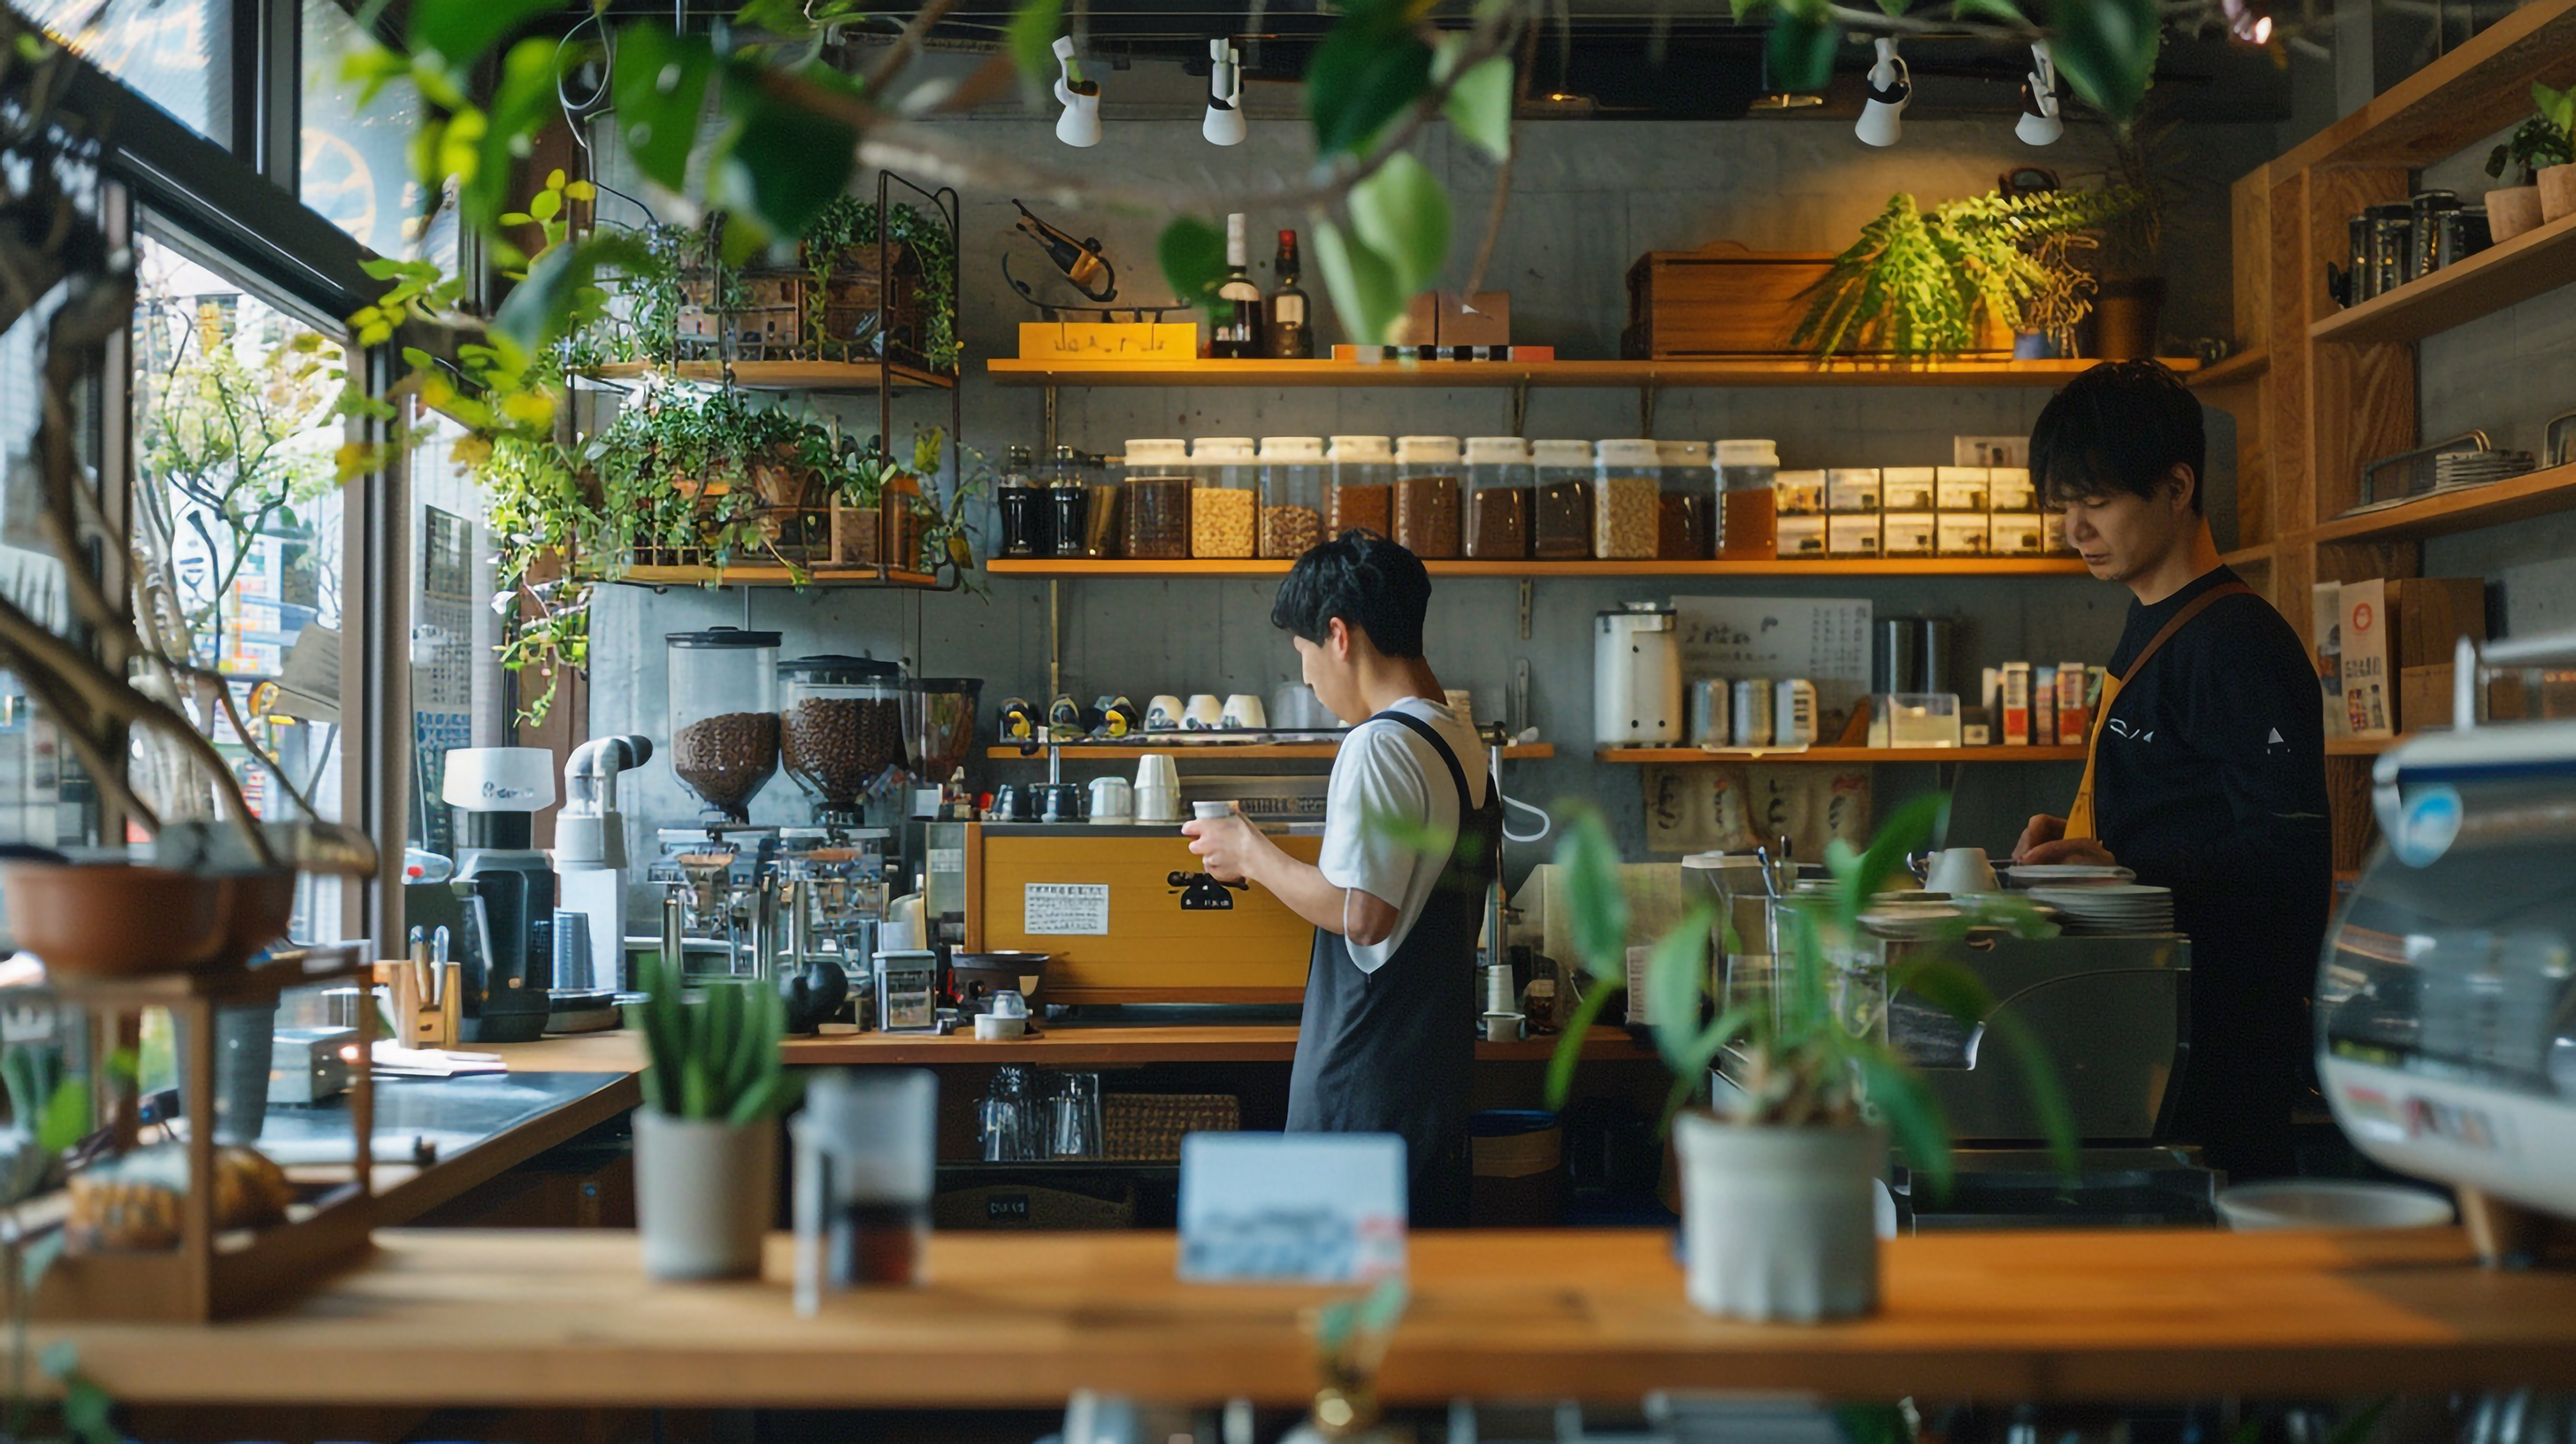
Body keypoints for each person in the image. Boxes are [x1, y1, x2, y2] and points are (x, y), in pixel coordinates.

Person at [2012, 360, 2331, 1181]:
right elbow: (2181, 805)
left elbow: (2288, 860)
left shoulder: (2237, 642)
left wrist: (2124, 869)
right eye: (2061, 506)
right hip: (2145, 1021)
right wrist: (2078, 841)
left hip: (2217, 1047)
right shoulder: (2151, 620)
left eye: (2097, 502)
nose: (2073, 529)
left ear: (2178, 484)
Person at [1181, 532, 1497, 1226]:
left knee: (1338, 1312)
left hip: (1362, 1090)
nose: (1312, 683)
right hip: (1431, 1088)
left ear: (1338, 635)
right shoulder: (1459, 739)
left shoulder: (1379, 744)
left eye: (1303, 659)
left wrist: (1249, 853)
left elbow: (1364, 915)